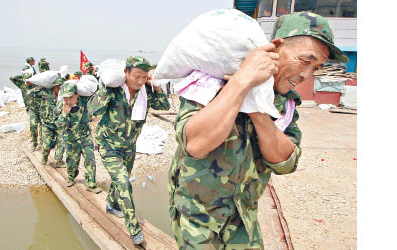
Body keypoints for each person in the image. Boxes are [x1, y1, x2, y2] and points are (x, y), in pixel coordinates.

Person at [168, 12, 348, 249]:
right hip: (197, 217)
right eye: (306, 61)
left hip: (245, 218)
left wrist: (257, 107)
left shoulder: (286, 103)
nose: (307, 75)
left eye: (316, 67)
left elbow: (286, 162)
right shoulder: (212, 83)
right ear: (276, 47)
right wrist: (242, 82)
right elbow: (196, 145)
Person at [88, 56, 170, 245]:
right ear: (125, 73)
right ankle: (133, 228)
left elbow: (164, 106)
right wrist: (105, 87)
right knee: (124, 183)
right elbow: (93, 109)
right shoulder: (114, 90)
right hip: (109, 146)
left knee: (120, 181)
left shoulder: (146, 92)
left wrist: (156, 87)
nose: (140, 81)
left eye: (144, 77)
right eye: (136, 77)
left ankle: (111, 204)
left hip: (129, 146)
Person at [55, 83, 102, 194]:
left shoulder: (83, 101)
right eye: (65, 97)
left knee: (90, 159)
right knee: (72, 161)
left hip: (85, 136)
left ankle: (91, 184)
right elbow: (58, 125)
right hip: (70, 138)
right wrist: (65, 114)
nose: (67, 100)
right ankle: (71, 177)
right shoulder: (60, 107)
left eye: (70, 97)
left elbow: (96, 93)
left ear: (77, 95)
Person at [27, 76, 64, 166]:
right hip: (47, 123)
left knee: (61, 142)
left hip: (59, 123)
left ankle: (58, 161)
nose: (60, 89)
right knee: (47, 143)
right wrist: (40, 87)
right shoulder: (45, 93)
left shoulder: (62, 96)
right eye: (58, 87)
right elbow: (29, 94)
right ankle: (44, 158)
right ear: (54, 86)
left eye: (61, 87)